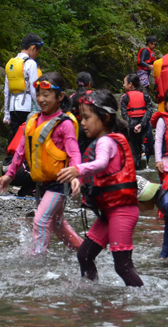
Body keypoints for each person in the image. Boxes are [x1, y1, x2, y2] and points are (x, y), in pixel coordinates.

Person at [56, 90, 142, 287]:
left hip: (122, 211)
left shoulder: (106, 141)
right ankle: (91, 292)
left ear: (104, 118)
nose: (82, 123)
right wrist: (79, 178)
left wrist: (77, 169)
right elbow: (99, 171)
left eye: (86, 118)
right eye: (80, 117)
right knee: (84, 255)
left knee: (122, 266)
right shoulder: (107, 139)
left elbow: (102, 163)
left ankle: (140, 300)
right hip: (110, 212)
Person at [0, 72, 82, 254]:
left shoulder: (64, 124)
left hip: (59, 183)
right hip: (42, 183)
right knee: (58, 225)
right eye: (39, 94)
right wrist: (9, 175)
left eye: (46, 95)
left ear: (60, 97)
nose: (41, 99)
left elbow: (74, 152)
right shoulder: (33, 121)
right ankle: (85, 250)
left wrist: (76, 173)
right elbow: (20, 152)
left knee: (41, 220)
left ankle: (38, 259)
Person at [3, 33, 43, 157]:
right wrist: (41, 109)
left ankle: (13, 164)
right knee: (28, 139)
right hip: (27, 109)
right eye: (37, 52)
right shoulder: (31, 63)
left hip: (13, 109)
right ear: (32, 48)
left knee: (16, 139)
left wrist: (6, 113)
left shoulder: (10, 64)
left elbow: (6, 91)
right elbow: (33, 88)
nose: (37, 55)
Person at [119, 71, 155, 169]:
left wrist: (132, 125)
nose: (123, 84)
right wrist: (142, 124)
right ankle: (143, 158)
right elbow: (149, 111)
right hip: (144, 126)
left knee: (134, 150)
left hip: (132, 126)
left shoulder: (125, 97)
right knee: (143, 145)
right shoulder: (145, 95)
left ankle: (136, 169)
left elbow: (124, 114)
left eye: (124, 82)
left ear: (130, 84)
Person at [68, 71, 95, 153]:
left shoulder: (73, 96)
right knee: (92, 150)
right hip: (92, 125)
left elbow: (67, 112)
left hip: (78, 126)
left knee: (80, 151)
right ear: (89, 84)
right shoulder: (93, 95)